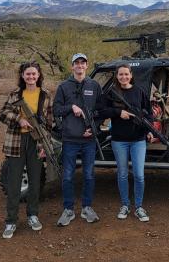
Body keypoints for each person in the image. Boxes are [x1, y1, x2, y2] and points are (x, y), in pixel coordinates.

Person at [0, 61, 52, 239]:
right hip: (16, 140)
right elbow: (3, 113)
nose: (31, 77)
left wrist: (45, 144)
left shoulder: (45, 95)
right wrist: (18, 119)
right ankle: (11, 221)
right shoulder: (15, 94)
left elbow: (49, 122)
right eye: (27, 74)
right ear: (22, 76)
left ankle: (33, 215)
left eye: (34, 74)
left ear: (38, 75)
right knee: (14, 182)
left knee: (35, 181)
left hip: (36, 141)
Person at [99, 64, 152, 222]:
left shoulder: (139, 92)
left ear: (131, 75)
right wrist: (118, 112)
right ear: (117, 76)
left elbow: (148, 113)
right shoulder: (111, 93)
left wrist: (149, 129)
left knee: (139, 175)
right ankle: (125, 205)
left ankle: (139, 207)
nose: (123, 77)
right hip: (119, 140)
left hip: (138, 140)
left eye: (126, 74)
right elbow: (102, 111)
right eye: (120, 74)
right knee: (122, 174)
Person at [53, 53, 102, 226]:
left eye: (83, 63)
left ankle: (87, 207)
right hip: (70, 139)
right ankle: (68, 209)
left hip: (89, 140)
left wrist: (93, 127)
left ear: (87, 66)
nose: (80, 66)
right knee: (67, 175)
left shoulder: (94, 86)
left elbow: (101, 110)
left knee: (89, 175)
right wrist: (71, 107)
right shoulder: (64, 87)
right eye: (76, 63)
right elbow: (56, 109)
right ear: (72, 66)